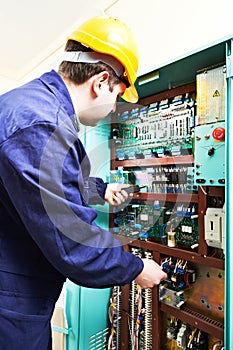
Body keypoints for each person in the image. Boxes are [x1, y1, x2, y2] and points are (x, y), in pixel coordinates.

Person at [0, 15, 167, 349]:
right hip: (10, 301)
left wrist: (103, 190)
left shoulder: (34, 107)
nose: (114, 106)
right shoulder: (42, 124)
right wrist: (134, 268)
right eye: (118, 96)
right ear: (101, 81)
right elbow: (71, 241)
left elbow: (39, 189)